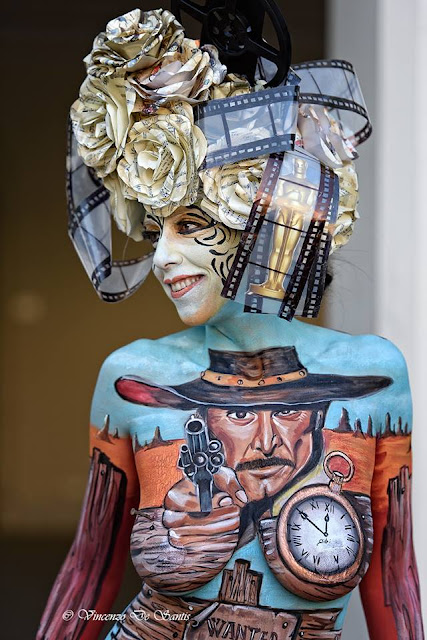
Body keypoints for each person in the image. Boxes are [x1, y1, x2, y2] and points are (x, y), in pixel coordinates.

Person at [37, 6, 424, 640]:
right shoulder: (132, 377)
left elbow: (394, 577)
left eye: (190, 226)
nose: (162, 258)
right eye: (154, 232)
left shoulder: (376, 377)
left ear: (262, 217)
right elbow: (88, 576)